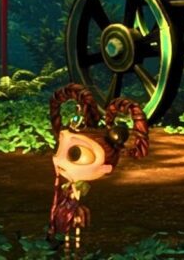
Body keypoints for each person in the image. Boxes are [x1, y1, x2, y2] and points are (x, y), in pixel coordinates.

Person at [48, 84, 148, 254]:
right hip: (68, 208)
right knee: (69, 226)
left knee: (76, 227)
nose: (58, 159)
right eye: (59, 148)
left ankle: (74, 247)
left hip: (74, 209)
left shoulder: (79, 188)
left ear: (105, 167)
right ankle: (66, 245)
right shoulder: (66, 187)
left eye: (75, 153)